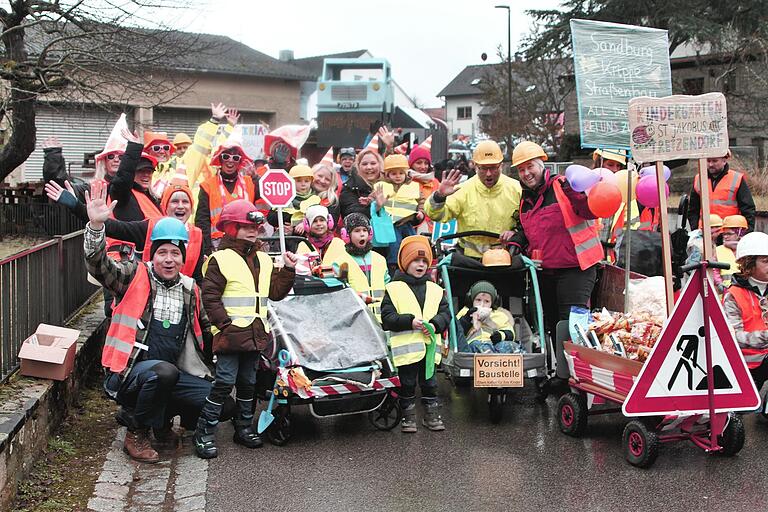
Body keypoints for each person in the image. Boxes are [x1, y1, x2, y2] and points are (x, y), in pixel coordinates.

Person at [84, 181, 222, 464]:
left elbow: (207, 331)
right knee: (163, 373)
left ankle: (162, 422)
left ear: (183, 257)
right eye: (162, 253)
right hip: (129, 372)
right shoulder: (132, 276)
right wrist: (97, 228)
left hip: (169, 371)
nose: (169, 260)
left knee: (218, 400)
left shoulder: (190, 288)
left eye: (175, 253)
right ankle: (137, 430)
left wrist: (232, 346)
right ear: (152, 254)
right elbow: (100, 266)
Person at [193, 200, 297, 459]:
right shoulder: (220, 259)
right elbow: (210, 297)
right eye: (244, 226)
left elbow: (274, 292)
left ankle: (243, 427)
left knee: (248, 383)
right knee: (224, 382)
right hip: (230, 335)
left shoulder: (262, 258)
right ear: (230, 228)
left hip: (255, 334)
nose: (251, 231)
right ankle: (204, 431)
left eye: (254, 226)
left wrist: (289, 270)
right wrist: (225, 326)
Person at [509, 140, 602, 346]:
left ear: (542, 164)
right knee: (552, 325)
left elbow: (589, 211)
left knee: (571, 326)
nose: (526, 173)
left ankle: (573, 374)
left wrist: (576, 193)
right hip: (546, 272)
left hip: (576, 269)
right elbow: (529, 231)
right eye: (521, 170)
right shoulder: (526, 200)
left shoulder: (563, 186)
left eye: (530, 166)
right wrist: (517, 241)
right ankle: (560, 373)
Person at [380, 235, 450, 433]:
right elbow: (388, 318)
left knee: (430, 384)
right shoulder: (393, 289)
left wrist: (436, 324)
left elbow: (446, 314)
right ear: (404, 263)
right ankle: (408, 417)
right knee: (407, 384)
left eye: (423, 261)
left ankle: (431, 415)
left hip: (429, 350)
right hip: (407, 351)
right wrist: (409, 321)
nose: (420, 265)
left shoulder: (435, 289)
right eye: (415, 261)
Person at [424, 140, 521, 258]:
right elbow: (436, 216)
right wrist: (439, 196)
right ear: (475, 166)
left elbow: (527, 224)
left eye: (493, 168)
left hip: (507, 260)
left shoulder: (517, 189)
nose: (489, 174)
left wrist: (516, 233)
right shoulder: (462, 190)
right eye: (483, 168)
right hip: (469, 262)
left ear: (501, 165)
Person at [723, 232, 768, 393]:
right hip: (746, 364)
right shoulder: (734, 295)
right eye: (765, 261)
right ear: (749, 264)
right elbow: (733, 337)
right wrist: (765, 337)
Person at [322, 213, 390, 320]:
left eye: (365, 230)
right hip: (357, 321)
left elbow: (388, 288)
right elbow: (335, 292)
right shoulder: (341, 262)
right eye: (357, 231)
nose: (362, 234)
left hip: (382, 319)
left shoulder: (380, 259)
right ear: (346, 235)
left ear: (370, 233)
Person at [196, 139, 255, 255]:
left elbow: (264, 210)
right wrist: (206, 250)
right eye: (226, 156)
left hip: (246, 243)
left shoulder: (251, 183)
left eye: (235, 158)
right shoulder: (207, 186)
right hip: (217, 245)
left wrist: (257, 178)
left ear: (240, 162)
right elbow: (202, 221)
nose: (230, 161)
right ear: (220, 159)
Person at [688, 149, 756, 231]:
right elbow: (693, 209)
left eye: (715, 161)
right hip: (704, 232)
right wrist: (695, 230)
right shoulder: (699, 179)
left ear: (724, 161)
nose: (710, 164)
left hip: (729, 232)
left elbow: (748, 209)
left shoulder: (736, 178)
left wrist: (747, 232)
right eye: (708, 161)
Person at [380, 154, 424, 271]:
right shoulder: (384, 186)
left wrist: (421, 212)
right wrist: (369, 200)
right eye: (394, 173)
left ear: (406, 173)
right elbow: (374, 197)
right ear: (387, 175)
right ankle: (394, 264)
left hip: (408, 221)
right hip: (391, 223)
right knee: (394, 244)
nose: (398, 176)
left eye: (401, 173)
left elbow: (421, 201)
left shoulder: (413, 186)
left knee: (412, 241)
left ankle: (413, 261)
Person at [456, 281, 519, 354]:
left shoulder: (499, 315)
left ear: (492, 303)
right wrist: (467, 318)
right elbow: (456, 331)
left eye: (486, 301)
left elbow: (511, 333)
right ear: (472, 300)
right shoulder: (465, 311)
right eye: (478, 300)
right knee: (480, 346)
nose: (482, 304)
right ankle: (490, 359)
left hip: (494, 344)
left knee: (509, 346)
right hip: (472, 344)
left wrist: (500, 335)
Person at [339, 148, 385, 219]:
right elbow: (351, 215)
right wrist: (375, 207)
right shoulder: (349, 188)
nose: (369, 167)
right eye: (364, 164)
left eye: (373, 163)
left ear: (380, 165)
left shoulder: (389, 184)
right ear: (358, 167)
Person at [718, 214, 748, 287]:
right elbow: (713, 271)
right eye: (724, 234)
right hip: (723, 293)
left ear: (740, 233)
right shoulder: (717, 250)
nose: (725, 237)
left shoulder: (749, 249)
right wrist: (719, 283)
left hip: (745, 292)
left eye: (729, 234)